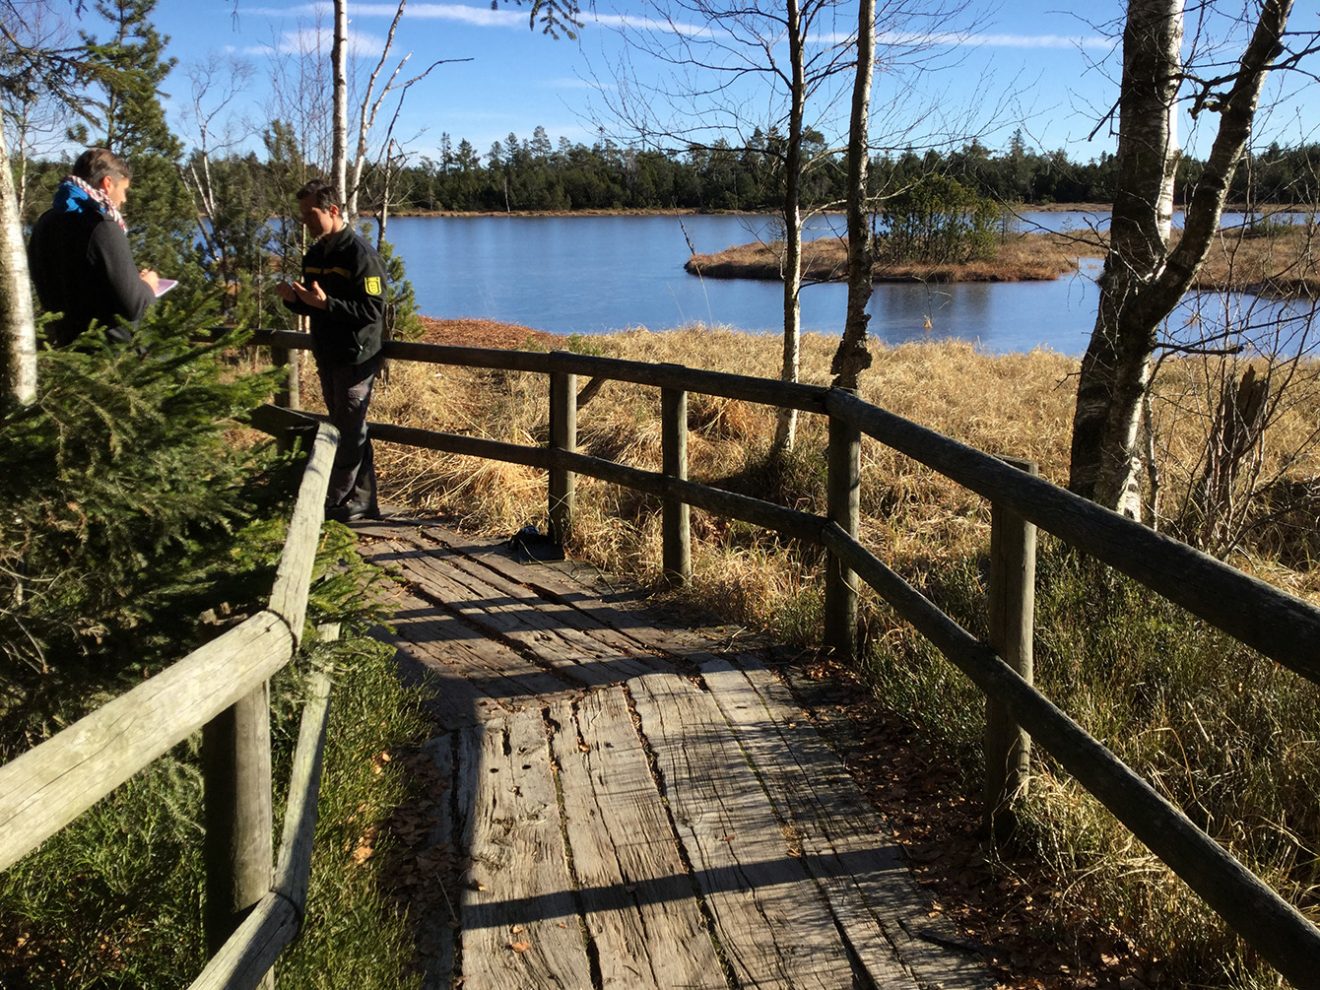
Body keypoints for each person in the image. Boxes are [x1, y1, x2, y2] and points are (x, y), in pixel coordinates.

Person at [277, 179, 386, 522]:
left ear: (333, 210)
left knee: (349, 430)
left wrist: (329, 305)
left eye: (310, 214)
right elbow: (315, 306)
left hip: (356, 357)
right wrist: (294, 301)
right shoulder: (315, 254)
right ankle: (362, 500)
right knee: (346, 426)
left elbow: (372, 312)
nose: (305, 221)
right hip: (327, 354)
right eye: (302, 215)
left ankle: (336, 501)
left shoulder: (361, 255)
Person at [27, 147, 160, 347]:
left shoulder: (45, 221)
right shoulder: (102, 225)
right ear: (107, 184)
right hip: (107, 355)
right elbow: (134, 306)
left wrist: (133, 283)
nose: (124, 199)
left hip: (61, 346)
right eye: (124, 190)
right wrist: (148, 285)